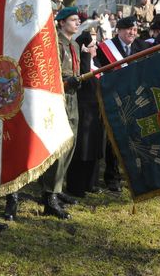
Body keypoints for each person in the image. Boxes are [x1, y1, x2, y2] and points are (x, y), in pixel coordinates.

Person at [95, 16, 150, 191]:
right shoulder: (105, 49)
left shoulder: (141, 46)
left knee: (134, 139)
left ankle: (132, 175)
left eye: (135, 30)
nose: (132, 33)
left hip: (136, 99)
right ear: (119, 29)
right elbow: (98, 73)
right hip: (114, 99)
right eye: (129, 29)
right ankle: (113, 178)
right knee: (114, 141)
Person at [40, 6, 81, 220]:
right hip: (59, 98)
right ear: (62, 22)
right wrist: (66, 82)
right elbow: (49, 74)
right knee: (59, 146)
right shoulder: (55, 44)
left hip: (73, 98)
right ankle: (49, 196)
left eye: (78, 20)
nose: (77, 23)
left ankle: (58, 188)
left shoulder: (74, 44)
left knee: (70, 145)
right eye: (73, 20)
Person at [65, 28, 104, 197]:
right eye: (93, 45)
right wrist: (86, 54)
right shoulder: (83, 63)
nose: (97, 48)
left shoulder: (99, 61)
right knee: (83, 150)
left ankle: (91, 182)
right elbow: (85, 76)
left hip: (97, 111)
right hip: (84, 111)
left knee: (95, 149)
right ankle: (76, 186)